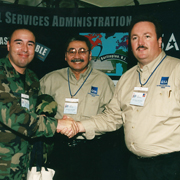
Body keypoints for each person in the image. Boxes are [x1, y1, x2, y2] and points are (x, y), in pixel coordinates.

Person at [62, 15, 180, 180]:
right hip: (135, 167)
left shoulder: (177, 70)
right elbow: (112, 117)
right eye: (134, 37)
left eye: (147, 36)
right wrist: (78, 125)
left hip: (171, 167)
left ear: (160, 41)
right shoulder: (127, 78)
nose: (140, 42)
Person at [0, 28, 78, 180]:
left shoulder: (32, 78)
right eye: (19, 43)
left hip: (25, 166)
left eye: (30, 44)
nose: (24, 49)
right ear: (8, 45)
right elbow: (12, 115)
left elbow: (33, 114)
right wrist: (57, 125)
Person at [40, 35, 115, 180]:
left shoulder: (103, 81)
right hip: (58, 149)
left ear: (90, 55)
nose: (77, 56)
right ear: (65, 56)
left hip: (92, 151)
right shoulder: (50, 80)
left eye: (82, 51)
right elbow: (35, 110)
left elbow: (112, 116)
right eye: (72, 51)